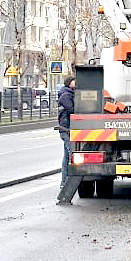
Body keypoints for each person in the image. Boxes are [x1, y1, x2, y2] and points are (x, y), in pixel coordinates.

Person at [54, 76, 78, 205]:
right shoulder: (65, 95)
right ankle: (67, 183)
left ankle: (64, 182)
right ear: (69, 83)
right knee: (71, 155)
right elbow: (72, 110)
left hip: (67, 129)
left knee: (67, 156)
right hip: (67, 129)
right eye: (74, 81)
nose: (76, 82)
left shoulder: (67, 93)